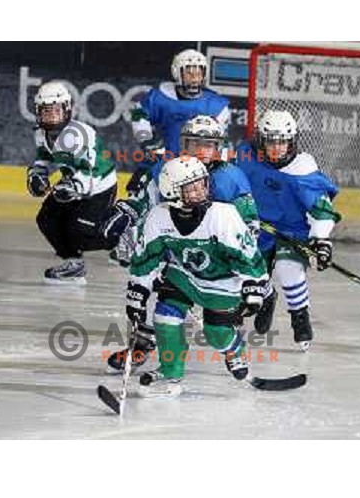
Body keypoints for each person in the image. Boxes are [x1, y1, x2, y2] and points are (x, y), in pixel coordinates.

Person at [106, 115, 258, 372]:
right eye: (194, 143)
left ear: (218, 147)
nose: (201, 150)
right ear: (183, 145)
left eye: (208, 144)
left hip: (216, 259)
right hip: (177, 250)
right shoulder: (167, 168)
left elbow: (248, 226)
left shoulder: (231, 177)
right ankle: (143, 346)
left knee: (217, 327)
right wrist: (128, 211)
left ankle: (230, 344)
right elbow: (147, 199)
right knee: (156, 294)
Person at [124, 157, 268, 397]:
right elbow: (146, 258)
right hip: (184, 275)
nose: (200, 191)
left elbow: (248, 254)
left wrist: (254, 285)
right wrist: (137, 292)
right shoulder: (158, 217)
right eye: (191, 187)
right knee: (165, 315)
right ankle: (172, 372)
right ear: (172, 191)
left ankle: (233, 350)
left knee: (216, 334)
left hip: (223, 281)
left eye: (202, 184)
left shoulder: (223, 215)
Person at [235, 110, 341, 351]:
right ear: (260, 140)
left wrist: (321, 240)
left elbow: (321, 210)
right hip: (257, 227)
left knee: (288, 269)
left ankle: (299, 316)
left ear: (292, 141)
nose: (277, 148)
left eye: (282, 142)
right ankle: (267, 296)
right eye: (271, 141)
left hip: (293, 231)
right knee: (249, 273)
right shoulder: (246, 155)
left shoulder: (302, 168)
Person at [27, 81, 117, 284]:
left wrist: (74, 186)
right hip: (72, 184)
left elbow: (90, 171)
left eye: (56, 111)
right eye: (46, 111)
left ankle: (122, 235)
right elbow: (44, 158)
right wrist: (37, 175)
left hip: (99, 186)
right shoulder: (41, 134)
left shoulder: (78, 135)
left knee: (80, 232)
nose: (51, 116)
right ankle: (73, 264)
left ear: (67, 110)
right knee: (46, 219)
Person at [126, 48, 230, 194]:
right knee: (138, 194)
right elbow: (139, 115)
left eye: (199, 73)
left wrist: (219, 163)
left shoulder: (216, 105)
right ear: (177, 72)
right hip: (162, 161)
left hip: (199, 167)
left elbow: (222, 141)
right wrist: (146, 141)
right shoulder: (160, 97)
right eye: (189, 72)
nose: (194, 78)